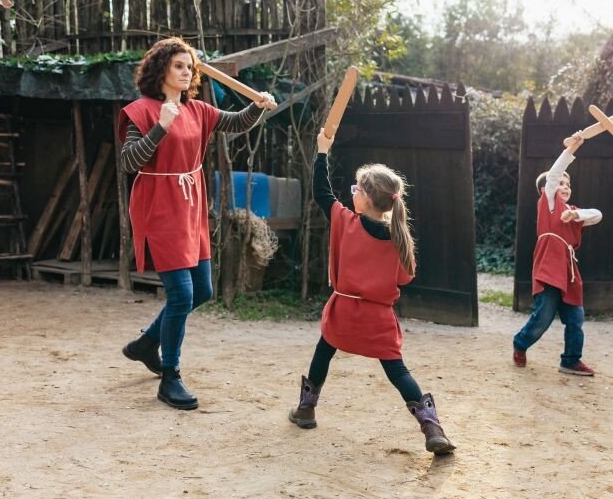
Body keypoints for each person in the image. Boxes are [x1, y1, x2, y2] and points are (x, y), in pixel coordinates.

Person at [118, 37, 277, 410]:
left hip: (190, 207)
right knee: (181, 295)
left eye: (189, 66)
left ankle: (146, 344)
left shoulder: (198, 110)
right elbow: (128, 162)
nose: (186, 71)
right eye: (178, 65)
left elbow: (236, 123)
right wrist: (161, 126)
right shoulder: (142, 111)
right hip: (159, 207)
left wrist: (256, 107)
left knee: (202, 289)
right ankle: (170, 377)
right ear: (160, 69)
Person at [288, 127, 455, 455]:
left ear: (365, 198)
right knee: (397, 370)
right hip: (378, 319)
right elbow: (405, 279)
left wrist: (322, 150)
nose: (352, 194)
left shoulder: (345, 220)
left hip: (344, 313)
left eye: (356, 189)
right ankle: (432, 428)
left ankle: (306, 410)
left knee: (324, 351)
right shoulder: (399, 238)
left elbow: (321, 192)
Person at [513, 131, 602, 375]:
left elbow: (597, 215)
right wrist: (571, 149)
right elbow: (553, 175)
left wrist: (576, 214)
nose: (565, 187)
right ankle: (520, 343)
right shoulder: (548, 205)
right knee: (543, 318)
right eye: (561, 184)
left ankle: (570, 360)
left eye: (568, 184)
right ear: (547, 190)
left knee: (575, 318)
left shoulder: (572, 213)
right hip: (549, 266)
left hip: (569, 271)